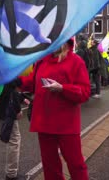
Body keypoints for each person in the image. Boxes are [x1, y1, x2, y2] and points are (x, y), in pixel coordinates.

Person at [17, 38, 90, 180]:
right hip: (44, 122)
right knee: (50, 166)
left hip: (66, 124)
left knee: (75, 164)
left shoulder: (76, 62)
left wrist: (63, 88)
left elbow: (85, 92)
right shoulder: (42, 60)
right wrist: (16, 80)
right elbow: (32, 82)